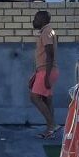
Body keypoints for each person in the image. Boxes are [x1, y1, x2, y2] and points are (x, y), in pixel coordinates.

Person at [29, 8, 60, 139]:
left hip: (47, 70)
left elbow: (50, 53)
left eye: (36, 18)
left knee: (34, 97)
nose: (34, 21)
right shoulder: (47, 31)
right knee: (47, 99)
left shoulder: (47, 31)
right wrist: (36, 73)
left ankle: (51, 125)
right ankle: (52, 127)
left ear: (42, 20)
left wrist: (46, 76)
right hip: (44, 70)